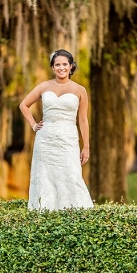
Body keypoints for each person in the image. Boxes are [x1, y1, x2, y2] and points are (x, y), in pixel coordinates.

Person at [18, 49, 94, 211]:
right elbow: (24, 105)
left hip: (68, 139)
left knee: (71, 175)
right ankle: (44, 213)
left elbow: (82, 120)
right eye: (57, 64)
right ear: (52, 67)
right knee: (45, 176)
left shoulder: (80, 90)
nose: (61, 68)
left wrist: (86, 146)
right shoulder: (44, 86)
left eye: (65, 64)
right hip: (45, 139)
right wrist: (33, 125)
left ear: (71, 66)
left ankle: (76, 213)